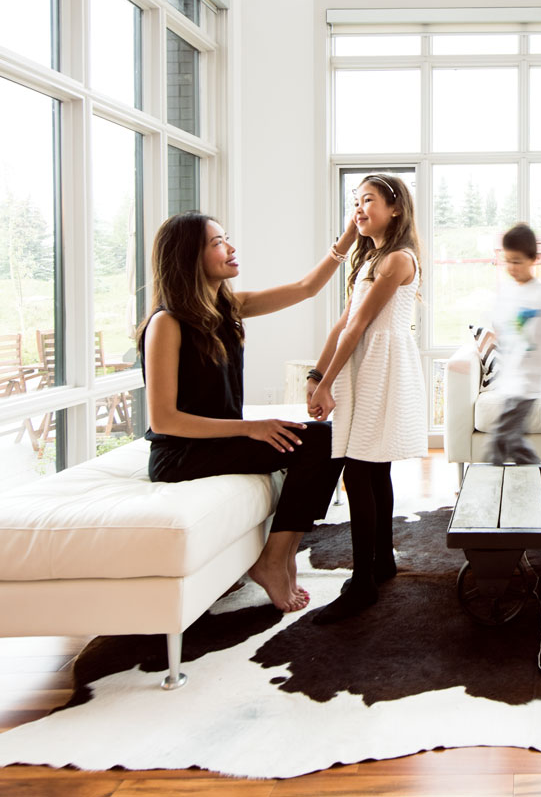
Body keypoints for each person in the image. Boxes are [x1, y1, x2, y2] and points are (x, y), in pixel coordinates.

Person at [138, 211, 357, 614]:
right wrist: (252, 427)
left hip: (221, 441)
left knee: (328, 438)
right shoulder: (167, 323)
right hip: (182, 454)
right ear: (189, 256)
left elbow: (306, 288)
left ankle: (282, 553)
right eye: (218, 242)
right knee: (319, 443)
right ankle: (274, 560)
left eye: (227, 239)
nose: (231, 248)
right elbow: (164, 420)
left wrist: (348, 237)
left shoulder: (226, 308)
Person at [306, 174, 426, 624]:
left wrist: (326, 385)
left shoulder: (398, 259)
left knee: (359, 471)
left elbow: (358, 328)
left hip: (381, 366)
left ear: (395, 208)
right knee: (372, 469)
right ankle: (381, 562)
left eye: (368, 200)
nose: (358, 209)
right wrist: (317, 374)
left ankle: (362, 583)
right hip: (365, 364)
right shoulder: (372, 258)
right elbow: (343, 323)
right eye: (355, 202)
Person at [484, 223, 541, 466]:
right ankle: (535, 478)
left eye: (517, 261)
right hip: (510, 378)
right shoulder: (506, 291)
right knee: (514, 442)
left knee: (499, 439)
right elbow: (499, 331)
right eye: (508, 261)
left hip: (529, 382)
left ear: (533, 259)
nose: (511, 268)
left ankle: (491, 486)